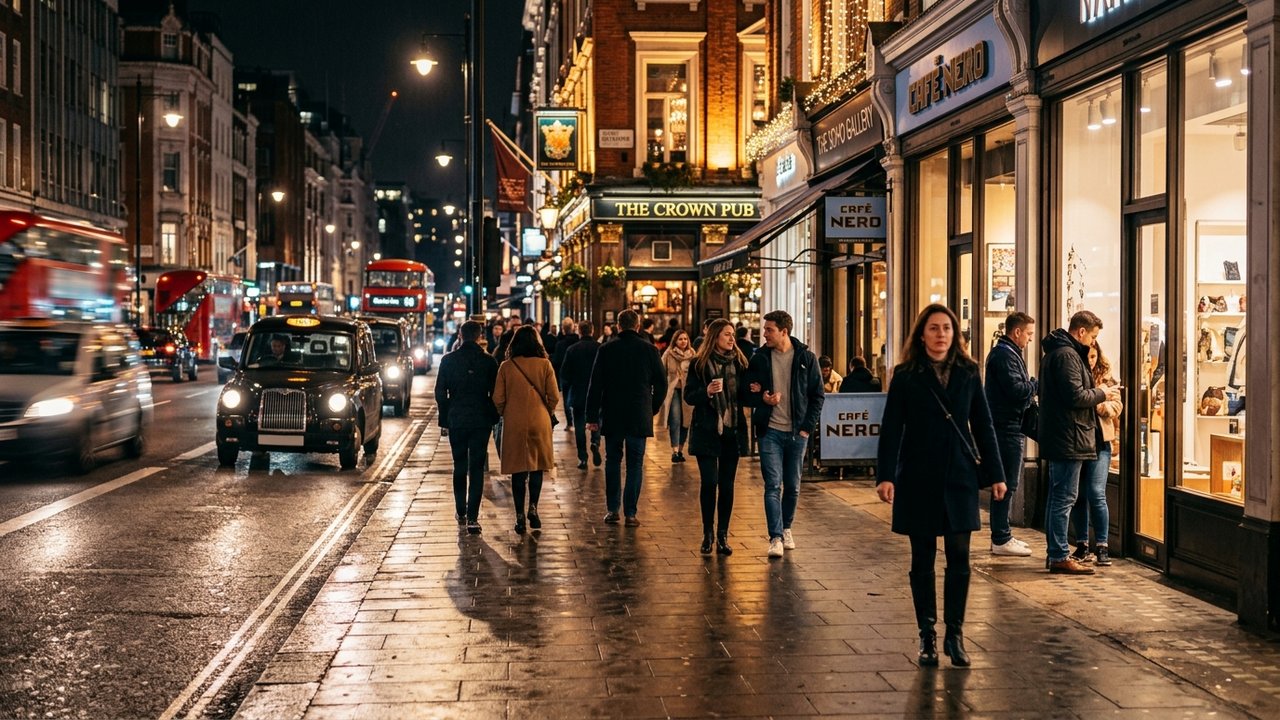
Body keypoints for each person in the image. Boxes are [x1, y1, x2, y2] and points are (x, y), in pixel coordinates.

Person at [875, 304, 1007, 668]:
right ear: (922, 334)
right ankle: (927, 635)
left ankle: (955, 634)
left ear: (955, 334)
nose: (941, 335)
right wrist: (885, 475)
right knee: (922, 559)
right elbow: (891, 429)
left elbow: (983, 425)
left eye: (947, 328)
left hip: (959, 477)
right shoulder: (905, 375)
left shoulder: (968, 372)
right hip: (917, 476)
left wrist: (997, 474)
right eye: (933, 329)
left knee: (960, 557)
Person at [1040, 310, 1121, 575]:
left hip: (1065, 435)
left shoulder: (1061, 352)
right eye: (1093, 336)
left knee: (1060, 496)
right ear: (1082, 331)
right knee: (1065, 497)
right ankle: (1060, 554)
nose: (1092, 343)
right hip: (1069, 437)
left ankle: (1057, 552)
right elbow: (1075, 396)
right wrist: (1102, 393)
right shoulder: (1067, 355)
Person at [746, 310, 824, 558]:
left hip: (796, 433)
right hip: (770, 431)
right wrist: (762, 397)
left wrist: (805, 429)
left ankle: (786, 527)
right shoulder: (759, 358)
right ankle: (775, 537)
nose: (764, 334)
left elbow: (817, 396)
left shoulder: (806, 358)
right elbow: (744, 392)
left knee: (792, 486)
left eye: (769, 329)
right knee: (772, 485)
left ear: (784, 331)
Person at [585, 309, 667, 526]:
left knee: (612, 461)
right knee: (635, 464)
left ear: (618, 326)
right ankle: (630, 513)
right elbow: (661, 383)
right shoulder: (649, 350)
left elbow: (595, 385)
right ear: (638, 326)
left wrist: (592, 416)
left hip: (613, 413)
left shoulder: (606, 349)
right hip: (639, 413)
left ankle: (613, 510)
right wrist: (653, 407)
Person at [684, 319, 749, 556]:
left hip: (731, 430)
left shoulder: (740, 363)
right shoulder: (699, 364)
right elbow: (689, 396)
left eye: (732, 335)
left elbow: (745, 395)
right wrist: (706, 392)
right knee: (709, 482)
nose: (732, 339)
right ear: (714, 337)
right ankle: (707, 533)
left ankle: (723, 534)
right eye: (727, 335)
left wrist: (754, 392)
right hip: (707, 430)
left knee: (727, 485)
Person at [493, 326, 560, 535]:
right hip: (540, 420)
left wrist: (507, 412)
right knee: (537, 466)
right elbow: (554, 396)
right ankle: (534, 507)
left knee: (518, 470)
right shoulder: (545, 365)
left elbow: (498, 398)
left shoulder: (506, 366)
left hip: (515, 421)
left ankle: (520, 515)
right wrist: (545, 410)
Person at [434, 320, 499, 534]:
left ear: (460, 335)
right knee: (477, 467)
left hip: (457, 418)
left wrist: (445, 418)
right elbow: (496, 393)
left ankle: (460, 511)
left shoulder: (448, 360)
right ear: (480, 336)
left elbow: (440, 392)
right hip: (481, 419)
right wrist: (492, 413)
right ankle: (473, 518)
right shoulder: (489, 361)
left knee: (459, 464)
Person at [984, 311, 1038, 557]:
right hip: (1006, 428)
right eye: (1028, 334)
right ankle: (1001, 537)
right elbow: (1017, 391)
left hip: (1008, 426)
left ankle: (1003, 534)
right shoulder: (1004, 356)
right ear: (1016, 332)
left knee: (1007, 483)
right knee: (1006, 484)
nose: (1029, 339)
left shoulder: (1008, 353)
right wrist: (1036, 384)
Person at [1069, 340, 1122, 567]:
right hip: (1079, 443)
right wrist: (1100, 396)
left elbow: (1116, 408)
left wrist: (1097, 403)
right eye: (1087, 357)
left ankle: (1102, 545)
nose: (1090, 361)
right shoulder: (1075, 377)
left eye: (1093, 357)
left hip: (1101, 444)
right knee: (1079, 495)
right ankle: (1082, 544)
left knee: (1096, 493)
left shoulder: (1107, 379)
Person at [560, 321, 602, 469]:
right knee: (597, 419)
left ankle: (582, 457)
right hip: (597, 393)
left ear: (579, 332)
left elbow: (565, 373)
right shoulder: (600, 348)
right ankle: (595, 442)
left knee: (579, 425)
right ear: (592, 331)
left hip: (578, 392)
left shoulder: (572, 350)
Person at [658, 330, 696, 463]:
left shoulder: (692, 355)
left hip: (687, 391)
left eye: (685, 339)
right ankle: (674, 451)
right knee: (675, 419)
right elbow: (661, 371)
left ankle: (680, 450)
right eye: (680, 339)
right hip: (673, 390)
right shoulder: (668, 354)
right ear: (675, 341)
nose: (683, 341)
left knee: (686, 420)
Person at [550, 317, 579, 431]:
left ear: (563, 329)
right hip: (578, 374)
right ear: (573, 328)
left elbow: (556, 361)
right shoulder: (578, 341)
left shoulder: (560, 344)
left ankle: (570, 423)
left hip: (565, 375)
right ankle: (579, 420)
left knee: (567, 399)